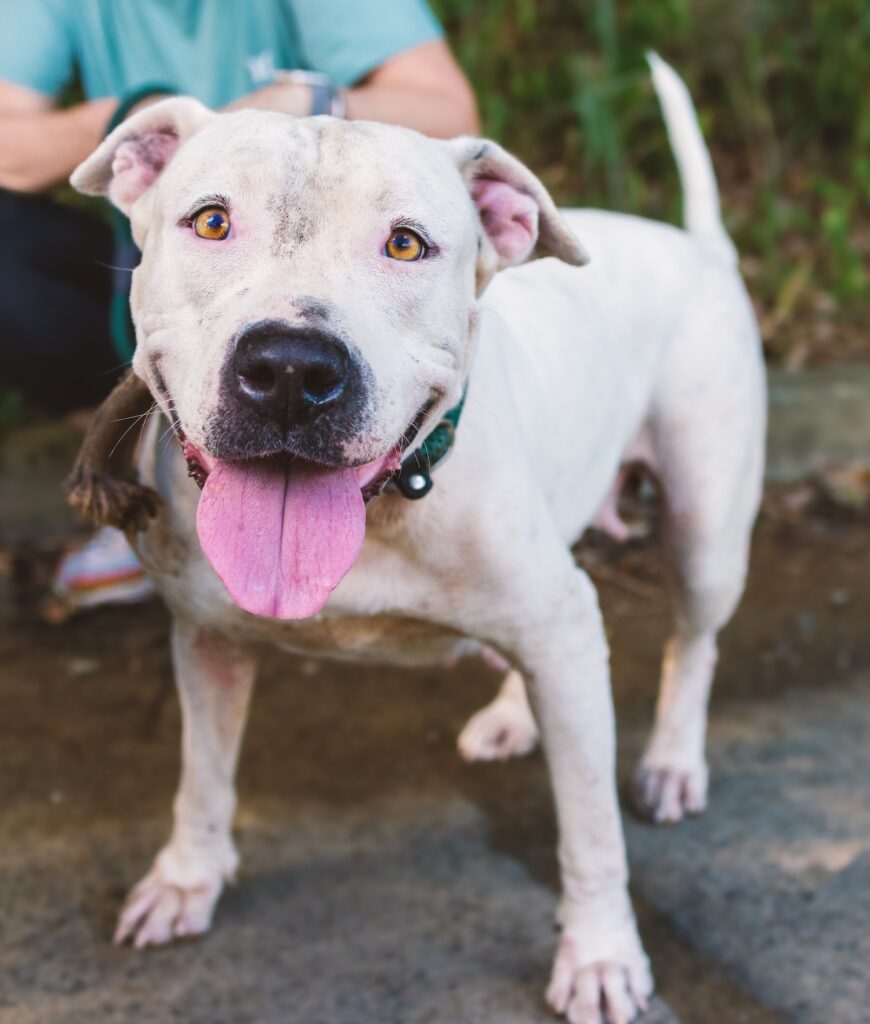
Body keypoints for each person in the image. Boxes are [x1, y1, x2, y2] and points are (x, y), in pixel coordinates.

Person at [0, 0, 479, 611]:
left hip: (347, 279)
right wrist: (154, 124)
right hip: (182, 265)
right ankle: (155, 485)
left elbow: (448, 109)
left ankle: (369, 505)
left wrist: (299, 101)